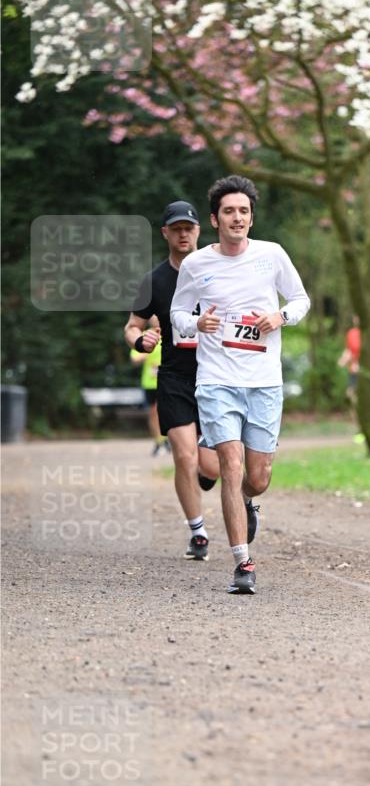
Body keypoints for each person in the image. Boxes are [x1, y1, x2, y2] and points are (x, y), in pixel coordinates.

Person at [170, 175, 310, 594]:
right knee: (230, 467)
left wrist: (280, 317)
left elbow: (301, 299)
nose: (238, 218)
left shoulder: (273, 255)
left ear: (252, 217)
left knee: (258, 476)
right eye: (229, 211)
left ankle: (247, 500)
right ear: (215, 219)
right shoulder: (197, 264)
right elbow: (177, 314)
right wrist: (197, 322)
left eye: (244, 211)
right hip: (216, 381)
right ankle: (242, 563)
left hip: (264, 382)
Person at [124, 201, 219, 561]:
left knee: (209, 467)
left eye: (188, 228)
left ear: (198, 230)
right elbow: (132, 324)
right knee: (183, 454)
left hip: (216, 375)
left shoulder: (219, 270)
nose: (183, 234)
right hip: (175, 376)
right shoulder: (155, 280)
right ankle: (197, 532)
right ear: (165, 233)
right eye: (175, 228)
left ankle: (209, 480)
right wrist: (140, 339)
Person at [129, 315, 169, 456]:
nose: (156, 318)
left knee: (166, 411)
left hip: (169, 380)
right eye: (153, 316)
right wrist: (145, 351)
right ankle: (160, 441)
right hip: (150, 382)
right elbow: (134, 357)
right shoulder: (146, 335)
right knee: (153, 413)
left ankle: (167, 440)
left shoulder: (172, 333)